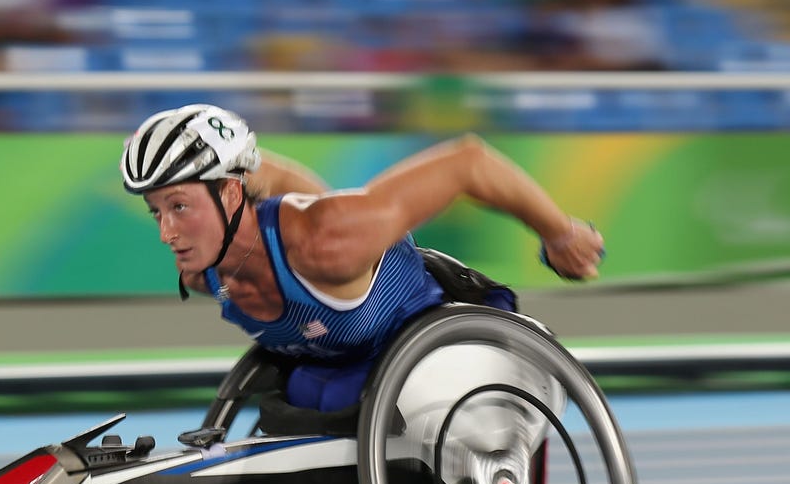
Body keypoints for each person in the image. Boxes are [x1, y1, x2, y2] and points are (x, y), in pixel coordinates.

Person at [119, 103, 604, 414]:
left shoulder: (330, 240)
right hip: (348, 373)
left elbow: (468, 162)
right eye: (156, 211)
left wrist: (560, 234)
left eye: (179, 207)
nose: (166, 234)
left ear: (228, 193)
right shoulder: (204, 273)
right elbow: (262, 178)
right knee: (291, 408)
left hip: (445, 355)